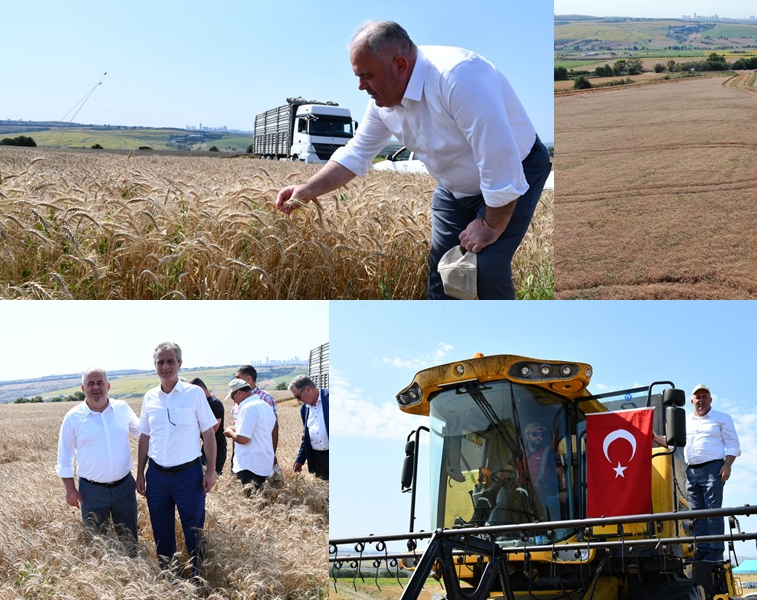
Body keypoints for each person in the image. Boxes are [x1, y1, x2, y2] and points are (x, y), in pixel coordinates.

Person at [274, 20, 551, 300]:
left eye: (367, 75)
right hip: (454, 189)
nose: (360, 86)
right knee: (442, 269)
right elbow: (357, 152)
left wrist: (490, 226)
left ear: (400, 64)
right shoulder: (382, 102)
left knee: (485, 267)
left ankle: (497, 335)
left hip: (517, 170)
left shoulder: (459, 78)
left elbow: (499, 162)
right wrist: (307, 189)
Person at [136, 342, 217, 574]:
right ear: (155, 366)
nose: (165, 366)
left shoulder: (194, 394)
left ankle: (198, 576)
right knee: (161, 530)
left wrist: (210, 471)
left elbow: (209, 433)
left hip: (188, 476)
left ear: (180, 364)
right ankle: (169, 575)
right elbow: (144, 437)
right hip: (157, 476)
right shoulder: (149, 397)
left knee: (194, 530)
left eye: (170, 361)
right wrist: (140, 473)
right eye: (160, 362)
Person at [657, 384, 741, 562]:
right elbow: (675, 443)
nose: (701, 400)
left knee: (712, 509)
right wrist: (657, 438)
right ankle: (702, 549)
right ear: (692, 401)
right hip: (692, 470)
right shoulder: (685, 421)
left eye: (705, 397)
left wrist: (727, 465)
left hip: (713, 468)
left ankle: (716, 550)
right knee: (695, 512)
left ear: (710, 399)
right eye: (698, 397)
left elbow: (733, 444)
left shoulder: (721, 418)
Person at [56, 368, 140, 543]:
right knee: (96, 542)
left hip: (124, 487)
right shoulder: (73, 417)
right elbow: (65, 457)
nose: (96, 388)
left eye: (100, 383)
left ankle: (131, 569)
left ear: (108, 386)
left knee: (129, 539)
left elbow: (143, 433)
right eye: (90, 384)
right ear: (83, 388)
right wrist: (70, 490)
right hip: (91, 492)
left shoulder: (122, 409)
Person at [223, 378, 277, 493]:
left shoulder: (248, 408)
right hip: (263, 462)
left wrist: (229, 432)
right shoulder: (265, 405)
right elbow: (260, 430)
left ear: (239, 393)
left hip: (250, 465)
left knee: (251, 500)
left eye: (233, 398)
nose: (234, 402)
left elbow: (243, 439)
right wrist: (237, 429)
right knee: (261, 499)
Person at [233, 365, 279, 467]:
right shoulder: (237, 396)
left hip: (258, 456)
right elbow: (236, 423)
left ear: (248, 379)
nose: (235, 381)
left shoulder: (265, 398)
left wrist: (272, 454)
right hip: (241, 453)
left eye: (237, 378)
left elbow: (274, 427)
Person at [289, 375, 329, 480]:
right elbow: (306, 437)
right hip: (318, 460)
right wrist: (300, 460)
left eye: (298, 396)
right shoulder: (304, 409)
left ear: (307, 389)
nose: (298, 401)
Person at [522, 422, 564, 520]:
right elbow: (508, 470)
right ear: (526, 436)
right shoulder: (520, 453)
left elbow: (561, 473)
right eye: (535, 434)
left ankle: (541, 525)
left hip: (542, 489)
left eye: (541, 435)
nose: (539, 437)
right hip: (523, 489)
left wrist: (564, 491)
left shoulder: (548, 452)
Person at [190, 378, 226, 476]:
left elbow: (213, 430)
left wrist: (189, 431)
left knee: (213, 476)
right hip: (206, 446)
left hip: (217, 448)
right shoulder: (205, 402)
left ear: (201, 390)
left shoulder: (215, 404)